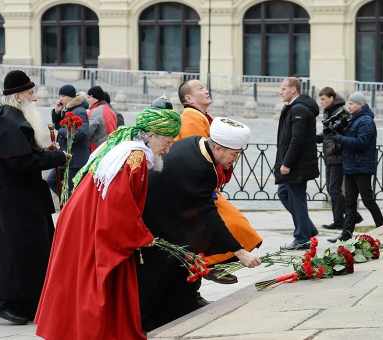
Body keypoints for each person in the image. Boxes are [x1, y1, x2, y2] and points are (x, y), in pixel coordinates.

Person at [35, 107, 181, 340]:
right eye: (167, 139)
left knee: (77, 280)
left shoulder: (124, 146)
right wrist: (141, 237)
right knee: (97, 284)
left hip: (82, 218)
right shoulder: (136, 157)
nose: (169, 146)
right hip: (94, 223)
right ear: (151, 135)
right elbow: (118, 205)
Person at [139, 117, 262, 332]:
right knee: (158, 280)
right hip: (156, 224)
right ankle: (151, 324)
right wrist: (240, 252)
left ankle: (176, 316)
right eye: (234, 154)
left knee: (183, 267)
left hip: (169, 218)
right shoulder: (201, 167)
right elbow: (209, 215)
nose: (235, 159)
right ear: (217, 147)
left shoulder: (196, 142)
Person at [0, 70, 68, 325]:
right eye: (30, 93)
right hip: (18, 200)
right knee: (19, 250)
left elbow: (24, 153)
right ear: (18, 96)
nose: (35, 97)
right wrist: (56, 157)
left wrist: (46, 151)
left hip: (21, 197)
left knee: (26, 249)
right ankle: (5, 302)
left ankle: (25, 302)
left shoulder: (13, 117)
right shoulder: (10, 120)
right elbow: (22, 162)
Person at [176, 79, 263, 284]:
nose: (206, 90)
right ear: (188, 98)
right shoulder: (191, 116)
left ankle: (211, 265)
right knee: (226, 224)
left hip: (202, 185)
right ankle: (209, 266)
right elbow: (200, 152)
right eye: (200, 88)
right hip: (195, 187)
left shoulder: (202, 116)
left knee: (234, 224)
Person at [330, 92, 383, 242]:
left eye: (352, 104)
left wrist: (339, 138)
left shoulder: (366, 121)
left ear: (361, 105)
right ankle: (346, 234)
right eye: (349, 103)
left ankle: (382, 228)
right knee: (350, 201)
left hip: (362, 166)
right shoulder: (353, 119)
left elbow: (361, 143)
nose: (349, 106)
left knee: (368, 200)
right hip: (350, 165)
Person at [274, 77, 320, 250]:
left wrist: (287, 163)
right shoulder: (295, 107)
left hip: (297, 165)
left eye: (284, 88)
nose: (281, 91)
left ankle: (301, 238)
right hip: (296, 164)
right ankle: (307, 228)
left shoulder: (299, 108)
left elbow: (297, 139)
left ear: (294, 90)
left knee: (297, 198)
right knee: (284, 192)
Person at [315, 87, 362, 230]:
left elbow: (342, 134)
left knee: (334, 189)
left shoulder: (340, 112)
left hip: (337, 155)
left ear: (331, 98)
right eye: (320, 99)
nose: (321, 102)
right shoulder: (329, 111)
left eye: (323, 99)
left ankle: (343, 219)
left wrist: (335, 146)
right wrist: (315, 138)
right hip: (331, 155)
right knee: (332, 189)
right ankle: (348, 217)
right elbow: (328, 134)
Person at [47, 85, 90, 195]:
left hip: (76, 159)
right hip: (66, 157)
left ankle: (68, 206)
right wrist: (56, 113)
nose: (60, 98)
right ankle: (65, 203)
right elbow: (59, 126)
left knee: (71, 190)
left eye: (63, 96)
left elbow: (82, 134)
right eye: (60, 95)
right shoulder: (68, 109)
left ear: (70, 97)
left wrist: (61, 131)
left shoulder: (79, 111)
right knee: (52, 180)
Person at [86, 85, 118, 151]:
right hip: (111, 145)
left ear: (93, 97)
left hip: (99, 148)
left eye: (88, 97)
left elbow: (88, 132)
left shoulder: (96, 111)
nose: (87, 100)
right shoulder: (110, 110)